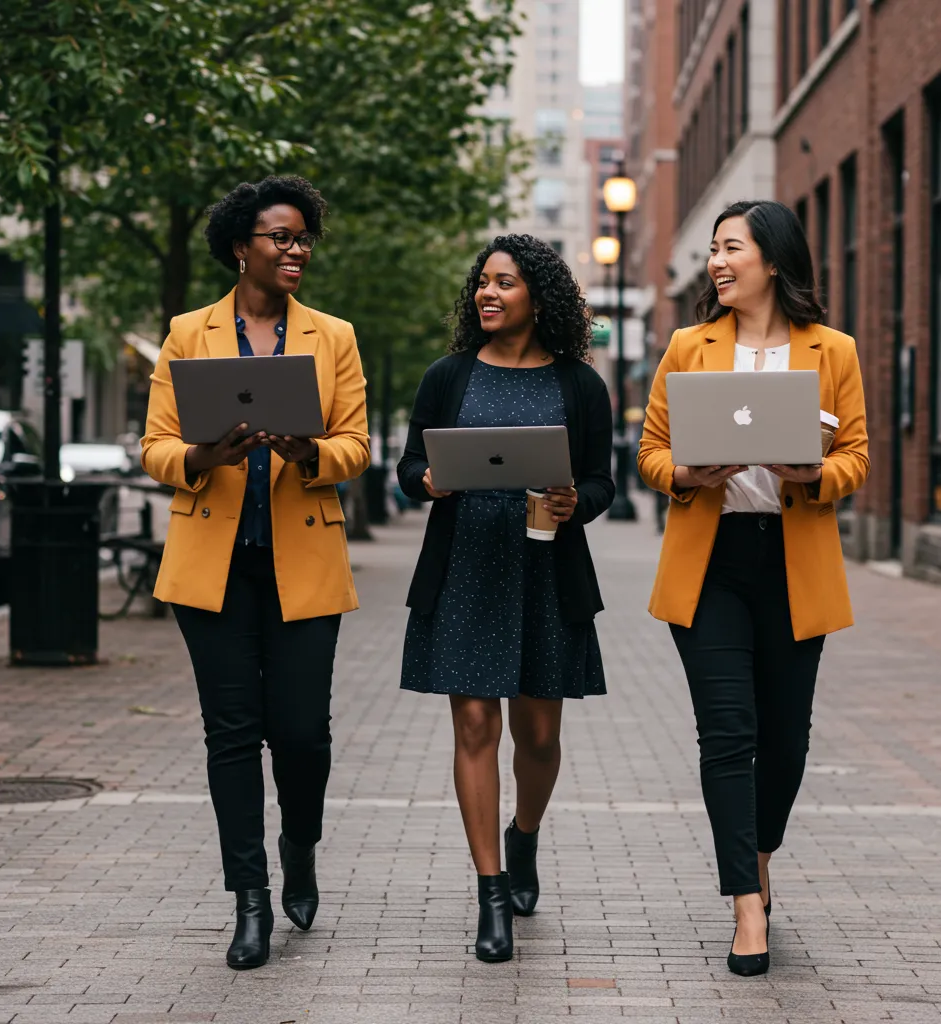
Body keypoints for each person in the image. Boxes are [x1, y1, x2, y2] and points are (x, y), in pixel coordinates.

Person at [141, 176, 370, 970]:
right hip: (214, 567)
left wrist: (308, 449)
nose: (296, 249)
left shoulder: (333, 336)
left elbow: (356, 445)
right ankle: (251, 899)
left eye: (305, 237)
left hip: (302, 558)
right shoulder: (187, 333)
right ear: (242, 246)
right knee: (232, 735)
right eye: (281, 237)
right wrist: (203, 456)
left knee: (303, 733)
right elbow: (156, 447)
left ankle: (299, 845)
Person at [637, 200, 868, 977]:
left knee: (786, 741)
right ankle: (745, 904)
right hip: (711, 564)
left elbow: (858, 458)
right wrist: (687, 475)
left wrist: (814, 473)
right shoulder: (687, 346)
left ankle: (760, 853)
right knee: (728, 732)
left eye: (731, 247)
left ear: (772, 258)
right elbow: (651, 451)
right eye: (712, 250)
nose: (717, 262)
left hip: (794, 563)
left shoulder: (831, 350)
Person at [398, 234, 614, 962]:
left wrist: (573, 498)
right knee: (474, 729)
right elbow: (410, 464)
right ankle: (491, 892)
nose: (488, 294)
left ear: (538, 296)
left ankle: (524, 838)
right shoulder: (447, 376)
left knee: (541, 737)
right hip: (464, 567)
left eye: (505, 283)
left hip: (544, 568)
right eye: (483, 283)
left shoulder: (579, 384)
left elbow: (602, 482)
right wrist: (429, 482)